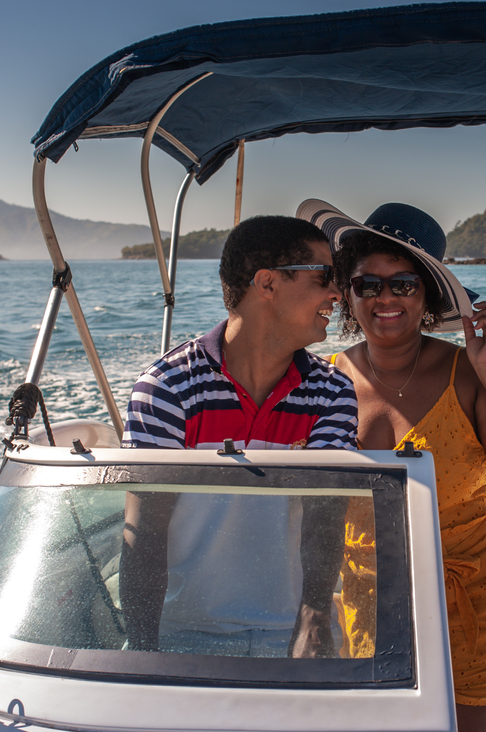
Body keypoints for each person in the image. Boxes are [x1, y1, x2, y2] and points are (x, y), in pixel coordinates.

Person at [298, 199, 486, 732]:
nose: (385, 298)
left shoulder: (466, 374)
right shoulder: (321, 382)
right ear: (348, 293)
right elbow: (310, 511)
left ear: (427, 296)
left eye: (403, 284)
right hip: (364, 606)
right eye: (368, 284)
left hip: (476, 602)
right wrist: (311, 610)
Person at [119, 215, 356, 658]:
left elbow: (325, 515)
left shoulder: (332, 391)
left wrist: (312, 623)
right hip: (182, 635)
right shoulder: (168, 387)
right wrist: (144, 654)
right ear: (267, 283)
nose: (337, 293)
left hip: (293, 633)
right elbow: (144, 532)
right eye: (324, 277)